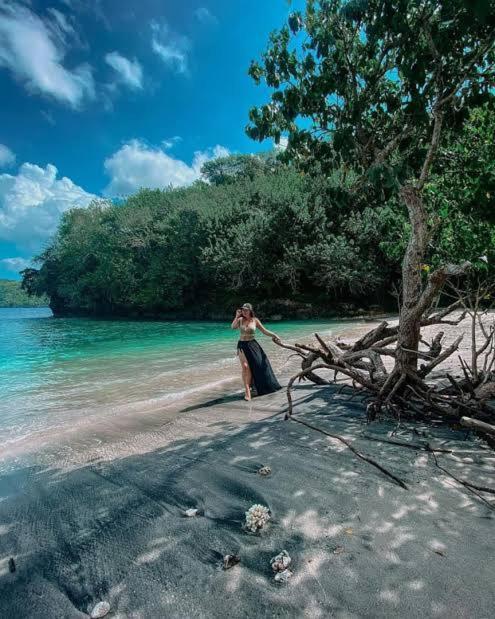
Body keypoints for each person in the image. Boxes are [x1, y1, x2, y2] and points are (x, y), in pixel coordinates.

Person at [231, 303, 282, 401]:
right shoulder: (240, 320)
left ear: (250, 311)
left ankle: (254, 386)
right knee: (245, 367)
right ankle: (247, 392)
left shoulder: (255, 320)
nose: (244, 312)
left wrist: (274, 335)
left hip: (253, 345)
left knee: (258, 366)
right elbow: (233, 327)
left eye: (246, 310)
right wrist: (236, 316)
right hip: (242, 345)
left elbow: (264, 331)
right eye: (243, 310)